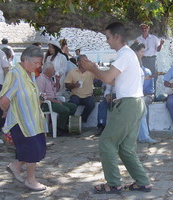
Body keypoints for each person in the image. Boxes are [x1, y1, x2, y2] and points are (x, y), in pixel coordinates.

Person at [80, 22, 151, 194]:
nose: (107, 41)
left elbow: (107, 77)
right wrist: (95, 69)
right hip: (135, 104)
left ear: (117, 37)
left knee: (107, 142)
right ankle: (142, 182)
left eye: (108, 37)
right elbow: (112, 81)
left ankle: (113, 184)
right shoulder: (127, 55)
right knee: (126, 148)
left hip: (128, 105)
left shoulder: (124, 54)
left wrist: (92, 68)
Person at [0, 45, 48, 191]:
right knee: (32, 150)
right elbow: (4, 100)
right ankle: (30, 180)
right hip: (21, 121)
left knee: (38, 148)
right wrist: (6, 111)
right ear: (25, 59)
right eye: (36, 63)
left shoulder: (30, 73)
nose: (38, 66)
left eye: (40, 63)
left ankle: (15, 166)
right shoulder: (15, 74)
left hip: (33, 120)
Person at [36, 62, 77, 134]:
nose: (54, 70)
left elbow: (57, 90)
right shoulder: (41, 79)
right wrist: (54, 101)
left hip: (54, 101)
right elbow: (40, 96)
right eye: (53, 69)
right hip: (45, 104)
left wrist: (57, 80)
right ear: (48, 70)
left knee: (73, 106)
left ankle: (63, 125)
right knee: (65, 110)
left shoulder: (50, 79)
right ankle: (59, 129)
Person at [130, 42, 158, 144]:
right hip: (131, 94)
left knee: (143, 111)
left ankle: (143, 136)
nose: (143, 54)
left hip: (139, 94)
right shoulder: (132, 62)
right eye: (141, 52)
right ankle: (142, 137)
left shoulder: (138, 63)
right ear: (135, 52)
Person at [64, 55, 96, 124]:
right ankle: (68, 122)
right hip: (76, 95)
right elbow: (66, 85)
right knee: (73, 103)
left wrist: (92, 64)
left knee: (91, 104)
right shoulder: (72, 72)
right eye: (83, 61)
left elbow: (99, 74)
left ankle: (81, 120)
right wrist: (74, 85)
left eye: (86, 61)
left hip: (87, 96)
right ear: (78, 62)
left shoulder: (91, 72)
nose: (85, 62)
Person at [0, 49, 10, 132]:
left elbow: (6, 68)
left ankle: (0, 127)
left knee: (0, 105)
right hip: (0, 81)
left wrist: (7, 83)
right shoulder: (0, 52)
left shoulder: (0, 52)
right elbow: (6, 69)